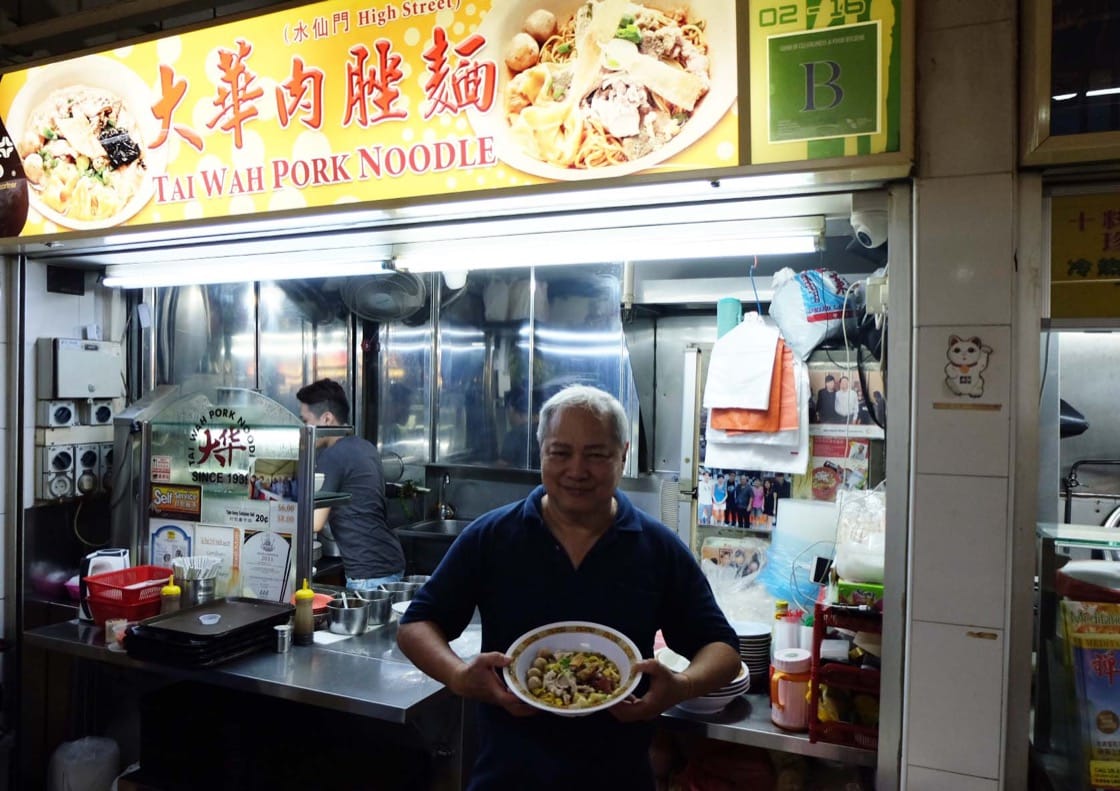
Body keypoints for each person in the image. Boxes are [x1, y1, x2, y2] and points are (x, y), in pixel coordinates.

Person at [397, 385, 740, 790]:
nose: (577, 470)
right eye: (560, 453)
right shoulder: (492, 537)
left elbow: (723, 650)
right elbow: (416, 625)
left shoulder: (657, 548)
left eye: (596, 454)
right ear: (541, 453)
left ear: (623, 455)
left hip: (619, 779)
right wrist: (458, 676)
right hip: (507, 778)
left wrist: (681, 686)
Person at [296, 378, 404, 591]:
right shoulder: (365, 446)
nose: (302, 429)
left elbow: (315, 523)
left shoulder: (333, 456)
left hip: (368, 573)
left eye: (305, 421)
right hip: (390, 560)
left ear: (327, 419)